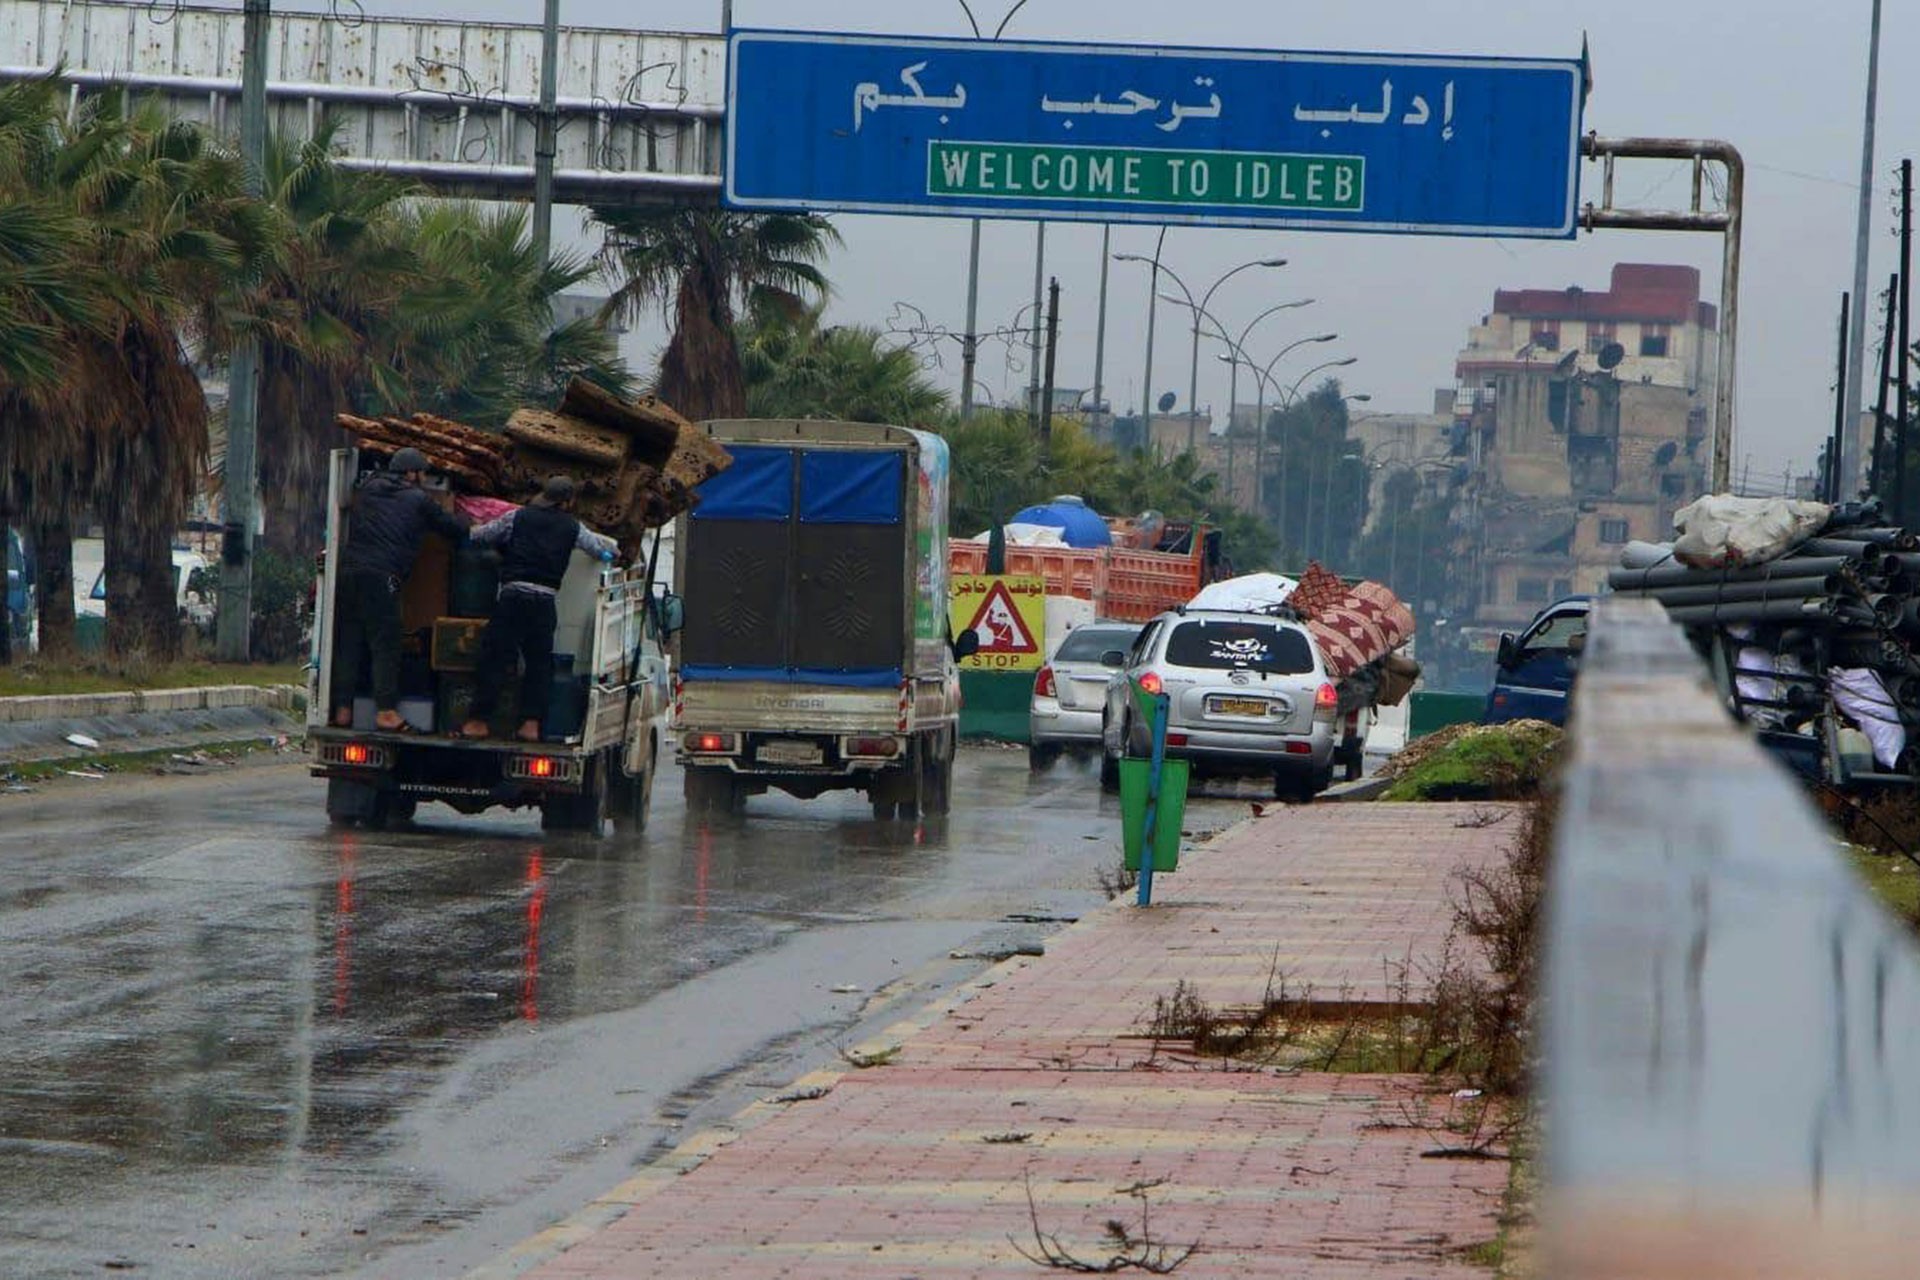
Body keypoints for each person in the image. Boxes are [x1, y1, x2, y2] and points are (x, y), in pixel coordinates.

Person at [457, 475, 619, 742]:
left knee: (495, 658)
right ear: (567, 502)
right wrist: (612, 555)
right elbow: (600, 551)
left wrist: (468, 530)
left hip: (512, 597)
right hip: (544, 602)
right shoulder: (574, 528)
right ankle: (530, 725)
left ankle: (478, 722)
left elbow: (483, 536)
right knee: (539, 665)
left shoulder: (518, 517)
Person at [331, 447, 471, 732]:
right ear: (412, 473)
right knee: (386, 644)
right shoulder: (418, 499)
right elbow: (453, 529)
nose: (422, 478)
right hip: (383, 576)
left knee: (350, 642)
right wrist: (468, 521)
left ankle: (343, 709)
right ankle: (385, 712)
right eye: (421, 473)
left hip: (348, 573)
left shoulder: (368, 489)